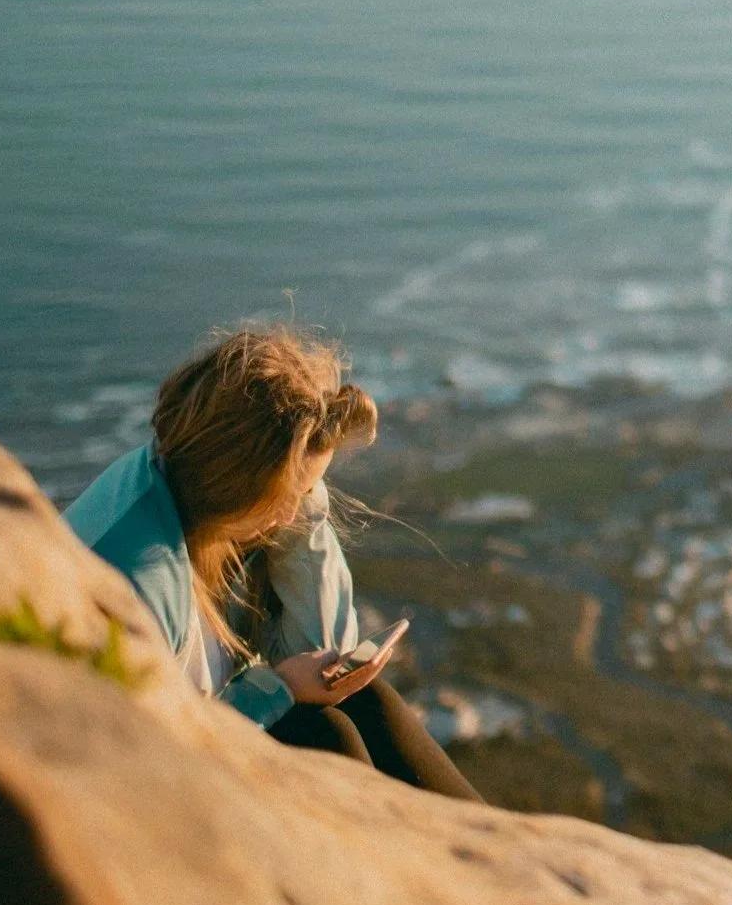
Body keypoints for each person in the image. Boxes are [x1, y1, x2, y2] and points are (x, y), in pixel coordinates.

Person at [63, 324, 479, 800]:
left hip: (194, 756)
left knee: (368, 703)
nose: (295, 512)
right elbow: (143, 764)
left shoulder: (219, 511)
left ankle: (494, 862)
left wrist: (301, 508)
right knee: (324, 735)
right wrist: (276, 689)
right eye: (291, 495)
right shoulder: (135, 580)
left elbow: (323, 650)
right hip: (136, 795)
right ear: (238, 481)